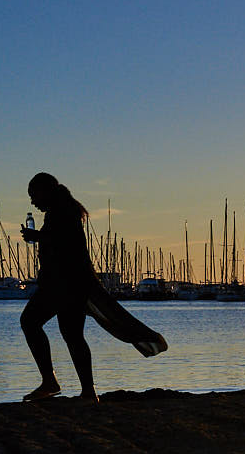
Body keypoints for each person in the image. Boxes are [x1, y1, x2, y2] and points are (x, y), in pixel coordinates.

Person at [19, 172, 166, 402]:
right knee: (72, 335)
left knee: (31, 322)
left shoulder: (62, 211)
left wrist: (37, 237)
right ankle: (85, 390)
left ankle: (55, 382)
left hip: (64, 284)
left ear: (44, 191)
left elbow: (65, 243)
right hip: (69, 284)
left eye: (33, 195)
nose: (32, 201)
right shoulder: (61, 209)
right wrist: (40, 237)